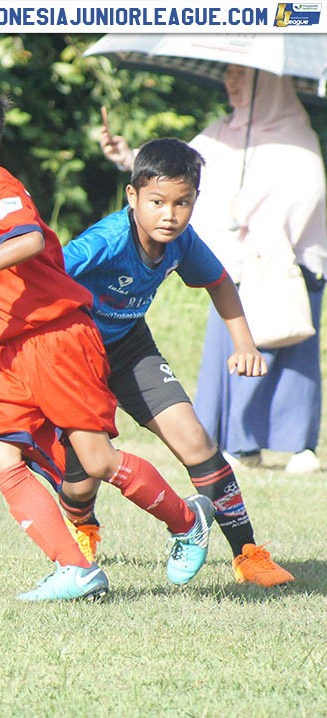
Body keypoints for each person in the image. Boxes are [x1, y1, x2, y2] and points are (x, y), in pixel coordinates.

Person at [0, 80, 213, 602]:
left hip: (57, 337)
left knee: (96, 461)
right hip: (13, 349)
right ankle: (77, 569)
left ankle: (187, 521)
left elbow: (24, 239)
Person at [64, 137, 294, 587]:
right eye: (157, 202)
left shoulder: (182, 242)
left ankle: (248, 554)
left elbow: (220, 282)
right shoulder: (106, 241)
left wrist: (244, 344)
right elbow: (48, 272)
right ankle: (83, 526)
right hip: (76, 355)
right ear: (132, 197)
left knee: (196, 440)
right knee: (82, 476)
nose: (169, 214)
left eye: (182, 202)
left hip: (131, 348)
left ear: (194, 200)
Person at [100, 66, 327, 475]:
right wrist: (126, 154)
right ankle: (238, 443)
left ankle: (297, 446)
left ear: (269, 82)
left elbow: (309, 192)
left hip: (284, 264)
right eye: (228, 75)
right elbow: (173, 176)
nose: (231, 83)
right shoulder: (222, 131)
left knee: (286, 351)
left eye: (243, 76)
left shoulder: (297, 136)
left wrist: (265, 226)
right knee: (232, 353)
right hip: (233, 261)